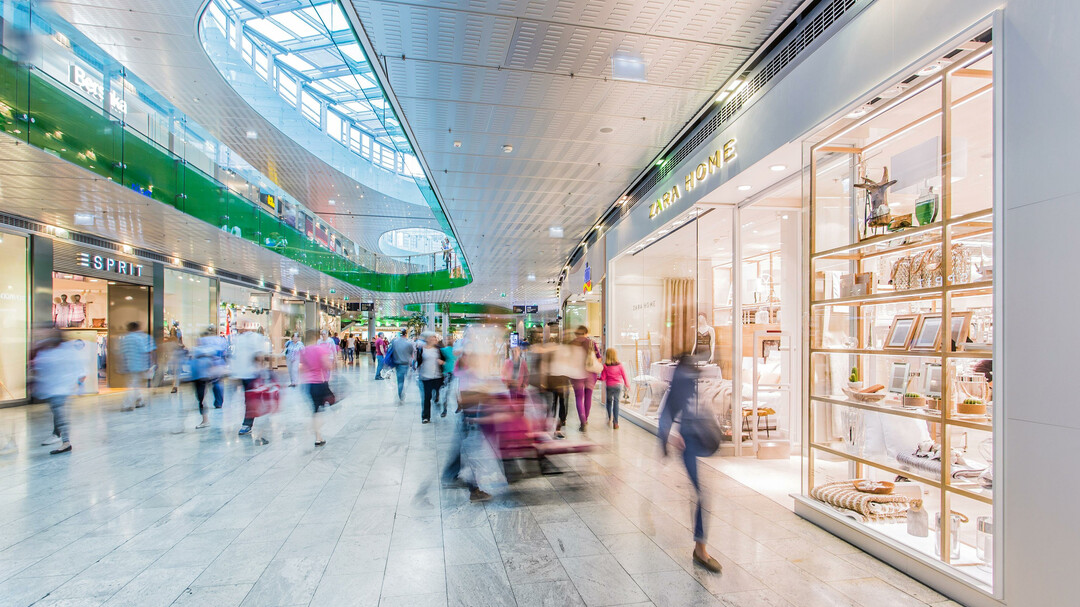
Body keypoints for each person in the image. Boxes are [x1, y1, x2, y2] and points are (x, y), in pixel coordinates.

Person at [658, 355, 722, 574]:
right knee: (701, 495)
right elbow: (665, 416)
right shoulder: (681, 386)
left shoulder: (690, 384)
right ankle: (700, 549)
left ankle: (700, 546)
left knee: (702, 495)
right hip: (689, 444)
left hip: (698, 440)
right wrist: (670, 439)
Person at [32, 330, 84, 454]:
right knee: (58, 414)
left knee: (59, 415)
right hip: (57, 389)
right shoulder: (60, 352)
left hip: (58, 389)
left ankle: (64, 440)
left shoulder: (55, 352)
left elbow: (39, 368)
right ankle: (59, 436)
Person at [299, 332, 335, 446]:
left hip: (309, 384)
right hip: (320, 382)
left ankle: (317, 436)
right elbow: (327, 365)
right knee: (320, 410)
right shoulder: (320, 350)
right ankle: (316, 431)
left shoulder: (303, 351)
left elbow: (301, 368)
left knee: (315, 409)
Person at [233, 327, 270, 436]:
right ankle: (249, 421)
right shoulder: (240, 339)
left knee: (250, 399)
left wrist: (260, 369)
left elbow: (260, 356)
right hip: (244, 374)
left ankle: (247, 423)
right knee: (250, 398)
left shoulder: (255, 338)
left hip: (251, 374)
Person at [570, 325, 601, 432]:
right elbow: (599, 358)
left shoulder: (572, 344)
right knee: (588, 397)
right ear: (586, 333)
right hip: (590, 374)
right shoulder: (591, 343)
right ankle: (586, 419)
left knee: (579, 398)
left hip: (577, 374)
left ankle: (582, 421)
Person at [120, 322, 155, 411]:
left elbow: (122, 353)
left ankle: (140, 400)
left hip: (129, 365)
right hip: (138, 364)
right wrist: (149, 363)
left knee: (134, 383)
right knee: (134, 385)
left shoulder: (125, 338)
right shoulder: (138, 338)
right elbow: (144, 351)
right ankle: (127, 405)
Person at [417, 335, 445, 423]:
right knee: (426, 397)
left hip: (437, 376)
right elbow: (419, 360)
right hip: (426, 377)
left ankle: (441, 408)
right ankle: (426, 417)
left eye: (435, 339)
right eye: (432, 339)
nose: (434, 340)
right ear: (428, 340)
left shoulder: (438, 349)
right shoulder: (422, 349)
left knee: (439, 394)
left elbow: (444, 360)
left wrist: (442, 362)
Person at [600, 348, 630, 429]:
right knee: (616, 403)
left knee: (609, 402)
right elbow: (624, 375)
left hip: (609, 386)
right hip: (618, 386)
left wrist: (596, 378)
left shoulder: (605, 366)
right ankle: (616, 422)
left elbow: (603, 378)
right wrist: (627, 384)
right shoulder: (620, 365)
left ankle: (609, 417)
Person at [389, 329, 415, 403]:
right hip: (405, 363)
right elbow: (411, 354)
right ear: (405, 334)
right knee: (403, 380)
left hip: (397, 363)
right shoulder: (408, 343)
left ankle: (400, 395)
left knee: (400, 381)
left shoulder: (395, 342)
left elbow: (392, 351)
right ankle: (401, 395)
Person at [438, 337, 456, 417]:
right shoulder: (455, 350)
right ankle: (445, 409)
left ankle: (445, 410)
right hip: (453, 373)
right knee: (451, 392)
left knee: (447, 392)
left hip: (448, 373)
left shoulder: (444, 350)